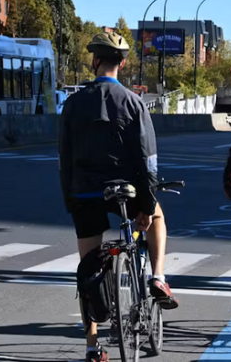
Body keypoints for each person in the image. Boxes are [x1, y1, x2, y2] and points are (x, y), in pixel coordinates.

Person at [59, 31, 178, 362]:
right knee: (157, 218)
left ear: (94, 60)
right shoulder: (134, 102)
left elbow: (63, 157)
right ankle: (157, 276)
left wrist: (70, 200)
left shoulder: (73, 104)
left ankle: (92, 346)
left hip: (84, 192)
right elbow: (148, 159)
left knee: (88, 270)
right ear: (122, 64)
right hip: (125, 191)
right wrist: (147, 205)